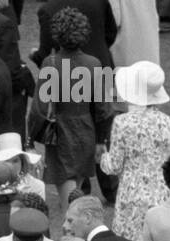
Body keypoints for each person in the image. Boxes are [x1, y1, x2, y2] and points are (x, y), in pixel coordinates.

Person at [99, 61, 170, 241]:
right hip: (163, 195)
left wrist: (103, 157)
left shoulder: (122, 123)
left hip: (131, 196)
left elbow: (114, 166)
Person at [34, 7, 110, 209]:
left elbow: (39, 108)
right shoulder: (94, 63)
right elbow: (103, 107)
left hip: (60, 132)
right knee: (75, 192)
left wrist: (30, 138)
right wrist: (101, 139)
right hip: (86, 130)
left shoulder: (49, 63)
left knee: (70, 203)